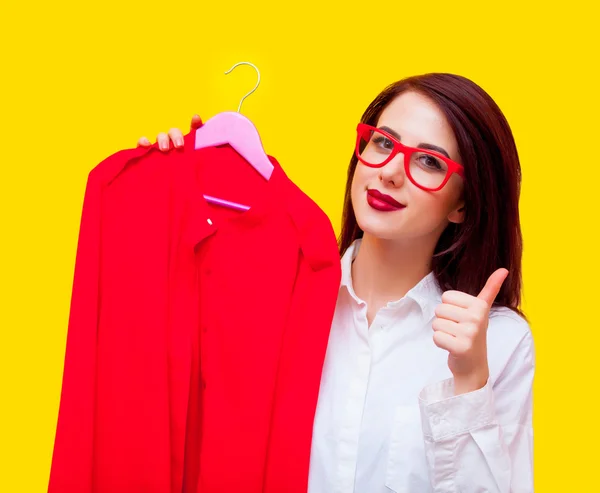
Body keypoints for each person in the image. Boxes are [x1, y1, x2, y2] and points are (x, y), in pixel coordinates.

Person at [137, 73, 534, 492]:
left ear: (463, 204)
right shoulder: (276, 303)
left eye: (429, 161)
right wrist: (168, 185)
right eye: (383, 142)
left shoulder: (501, 341)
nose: (391, 173)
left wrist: (469, 384)